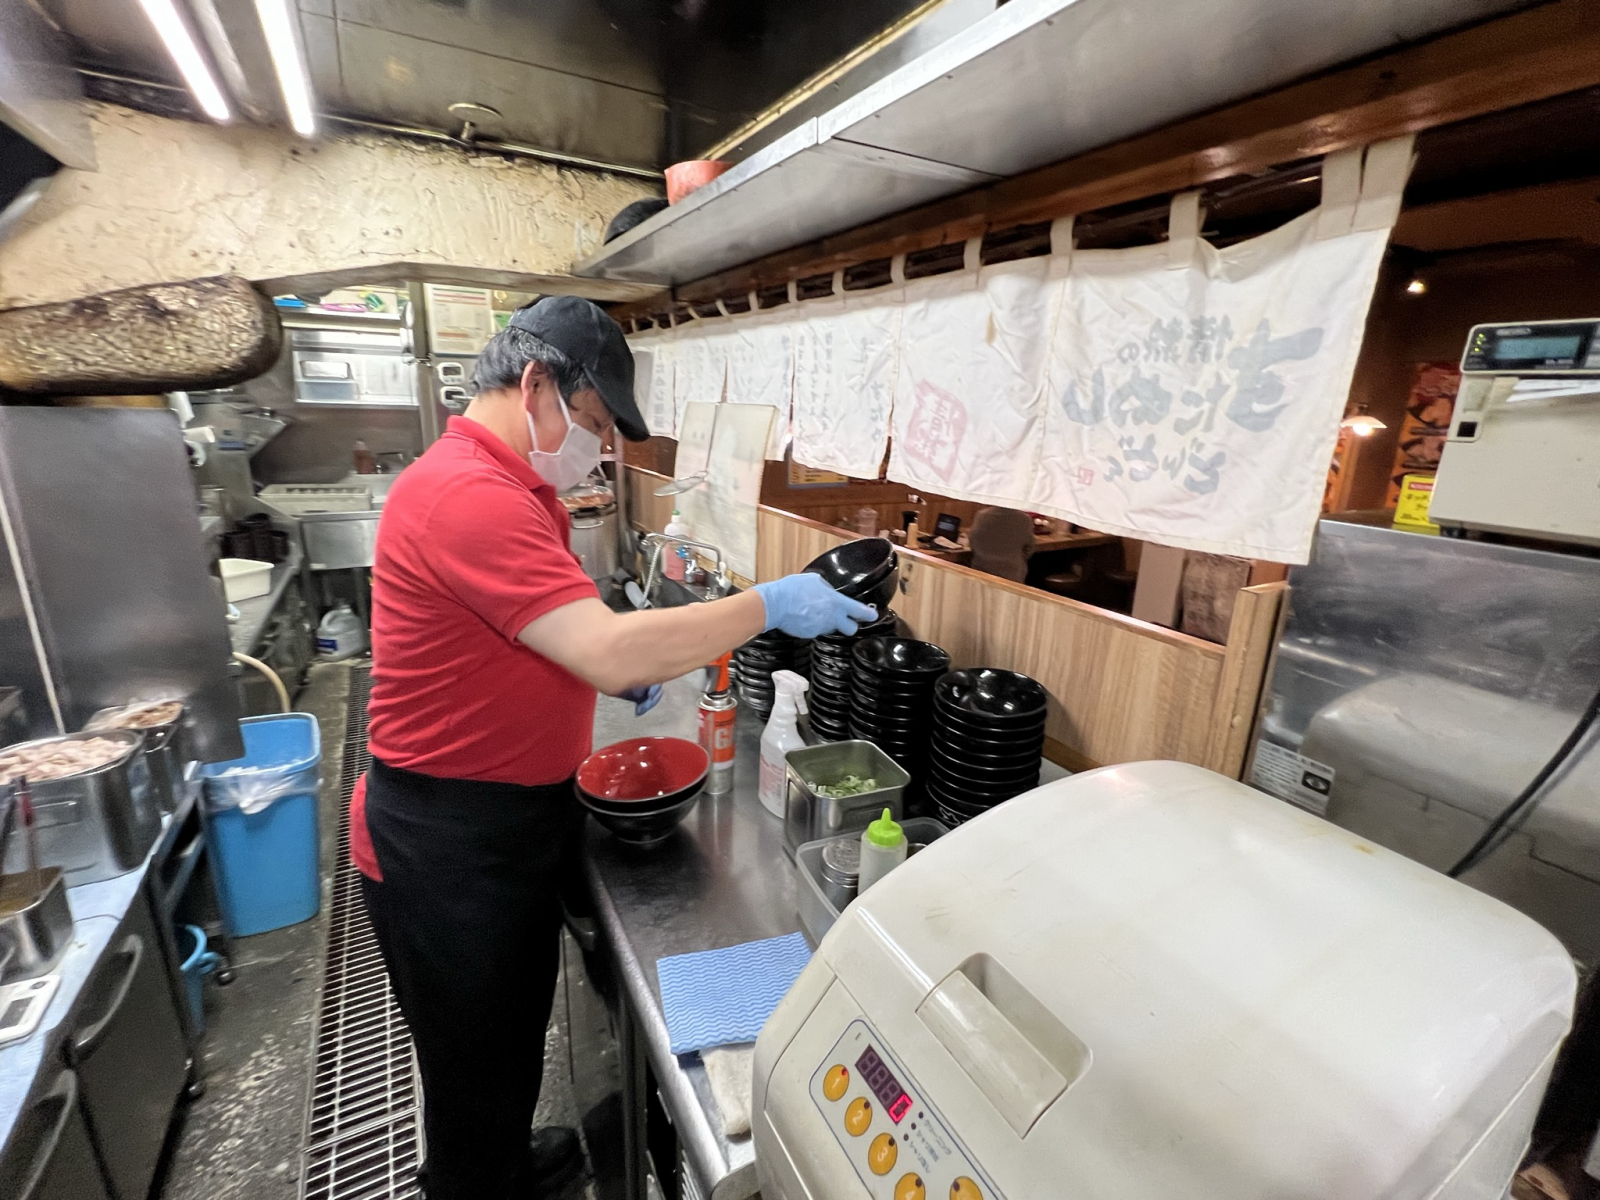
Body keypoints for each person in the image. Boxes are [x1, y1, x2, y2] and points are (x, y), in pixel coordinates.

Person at [349, 296, 873, 1200]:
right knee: (471, 1066)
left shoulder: (512, 486)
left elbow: (539, 636)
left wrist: (591, 673)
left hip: (499, 816)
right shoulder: (467, 493)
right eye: (592, 423)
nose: (597, 447)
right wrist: (770, 604)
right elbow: (605, 643)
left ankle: (505, 1161)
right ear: (536, 383)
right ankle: (480, 1178)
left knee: (504, 1041)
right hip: (447, 837)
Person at [968, 505, 1036, 583]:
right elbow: (1030, 547)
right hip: (1013, 573)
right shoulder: (1024, 519)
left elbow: (973, 543)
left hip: (981, 570)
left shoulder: (981, 515)